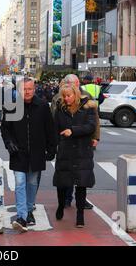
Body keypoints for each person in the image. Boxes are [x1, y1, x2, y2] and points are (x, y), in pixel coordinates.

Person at [0, 78, 57, 232]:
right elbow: (5, 128)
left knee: (32, 183)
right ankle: (21, 217)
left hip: (37, 152)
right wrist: (9, 143)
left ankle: (29, 209)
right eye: (24, 89)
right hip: (18, 152)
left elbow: (50, 129)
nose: (27, 92)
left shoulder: (43, 106)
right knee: (19, 183)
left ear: (34, 89)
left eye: (30, 89)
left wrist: (52, 149)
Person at [51, 74, 99, 209]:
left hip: (82, 142)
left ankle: (81, 201)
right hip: (65, 143)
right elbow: (54, 120)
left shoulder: (87, 98)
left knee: (81, 174)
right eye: (72, 83)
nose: (75, 85)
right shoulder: (59, 99)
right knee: (66, 173)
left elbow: (95, 120)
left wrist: (96, 137)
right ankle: (67, 198)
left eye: (77, 83)